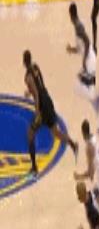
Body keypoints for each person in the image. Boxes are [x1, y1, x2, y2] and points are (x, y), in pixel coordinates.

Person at [23, 50, 78, 178]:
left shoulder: (27, 77)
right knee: (55, 132)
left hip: (42, 107)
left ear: (24, 62)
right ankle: (73, 145)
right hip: (48, 100)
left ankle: (34, 169)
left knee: (30, 134)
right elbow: (39, 86)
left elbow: (36, 94)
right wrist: (30, 92)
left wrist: (37, 112)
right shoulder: (36, 67)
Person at [67, 3, 99, 134]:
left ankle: (98, 100)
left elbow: (86, 41)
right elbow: (81, 46)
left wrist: (84, 59)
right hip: (90, 60)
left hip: (89, 61)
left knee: (78, 87)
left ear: (70, 14)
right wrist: (71, 50)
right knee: (87, 93)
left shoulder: (78, 26)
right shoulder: (77, 25)